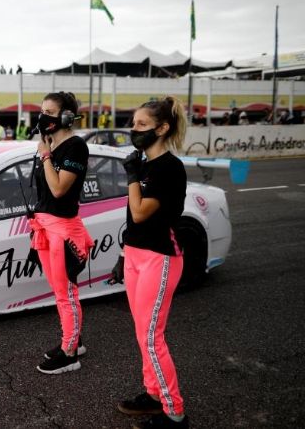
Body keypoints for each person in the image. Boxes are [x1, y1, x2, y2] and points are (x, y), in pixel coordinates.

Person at [110, 96, 190, 429]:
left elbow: (141, 212)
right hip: (137, 255)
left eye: (142, 125)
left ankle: (175, 412)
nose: (135, 130)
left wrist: (131, 177)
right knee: (142, 333)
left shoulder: (169, 167)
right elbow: (132, 220)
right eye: (134, 123)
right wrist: (124, 254)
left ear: (162, 128)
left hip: (161, 257)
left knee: (152, 336)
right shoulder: (143, 164)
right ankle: (153, 395)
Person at [31, 91, 93, 375]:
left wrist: (45, 155)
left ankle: (70, 354)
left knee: (66, 293)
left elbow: (58, 189)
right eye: (42, 110)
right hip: (44, 226)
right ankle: (73, 339)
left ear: (66, 116)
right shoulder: (50, 143)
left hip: (63, 230)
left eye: (50, 111)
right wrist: (45, 149)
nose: (43, 116)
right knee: (60, 291)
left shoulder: (75, 147)